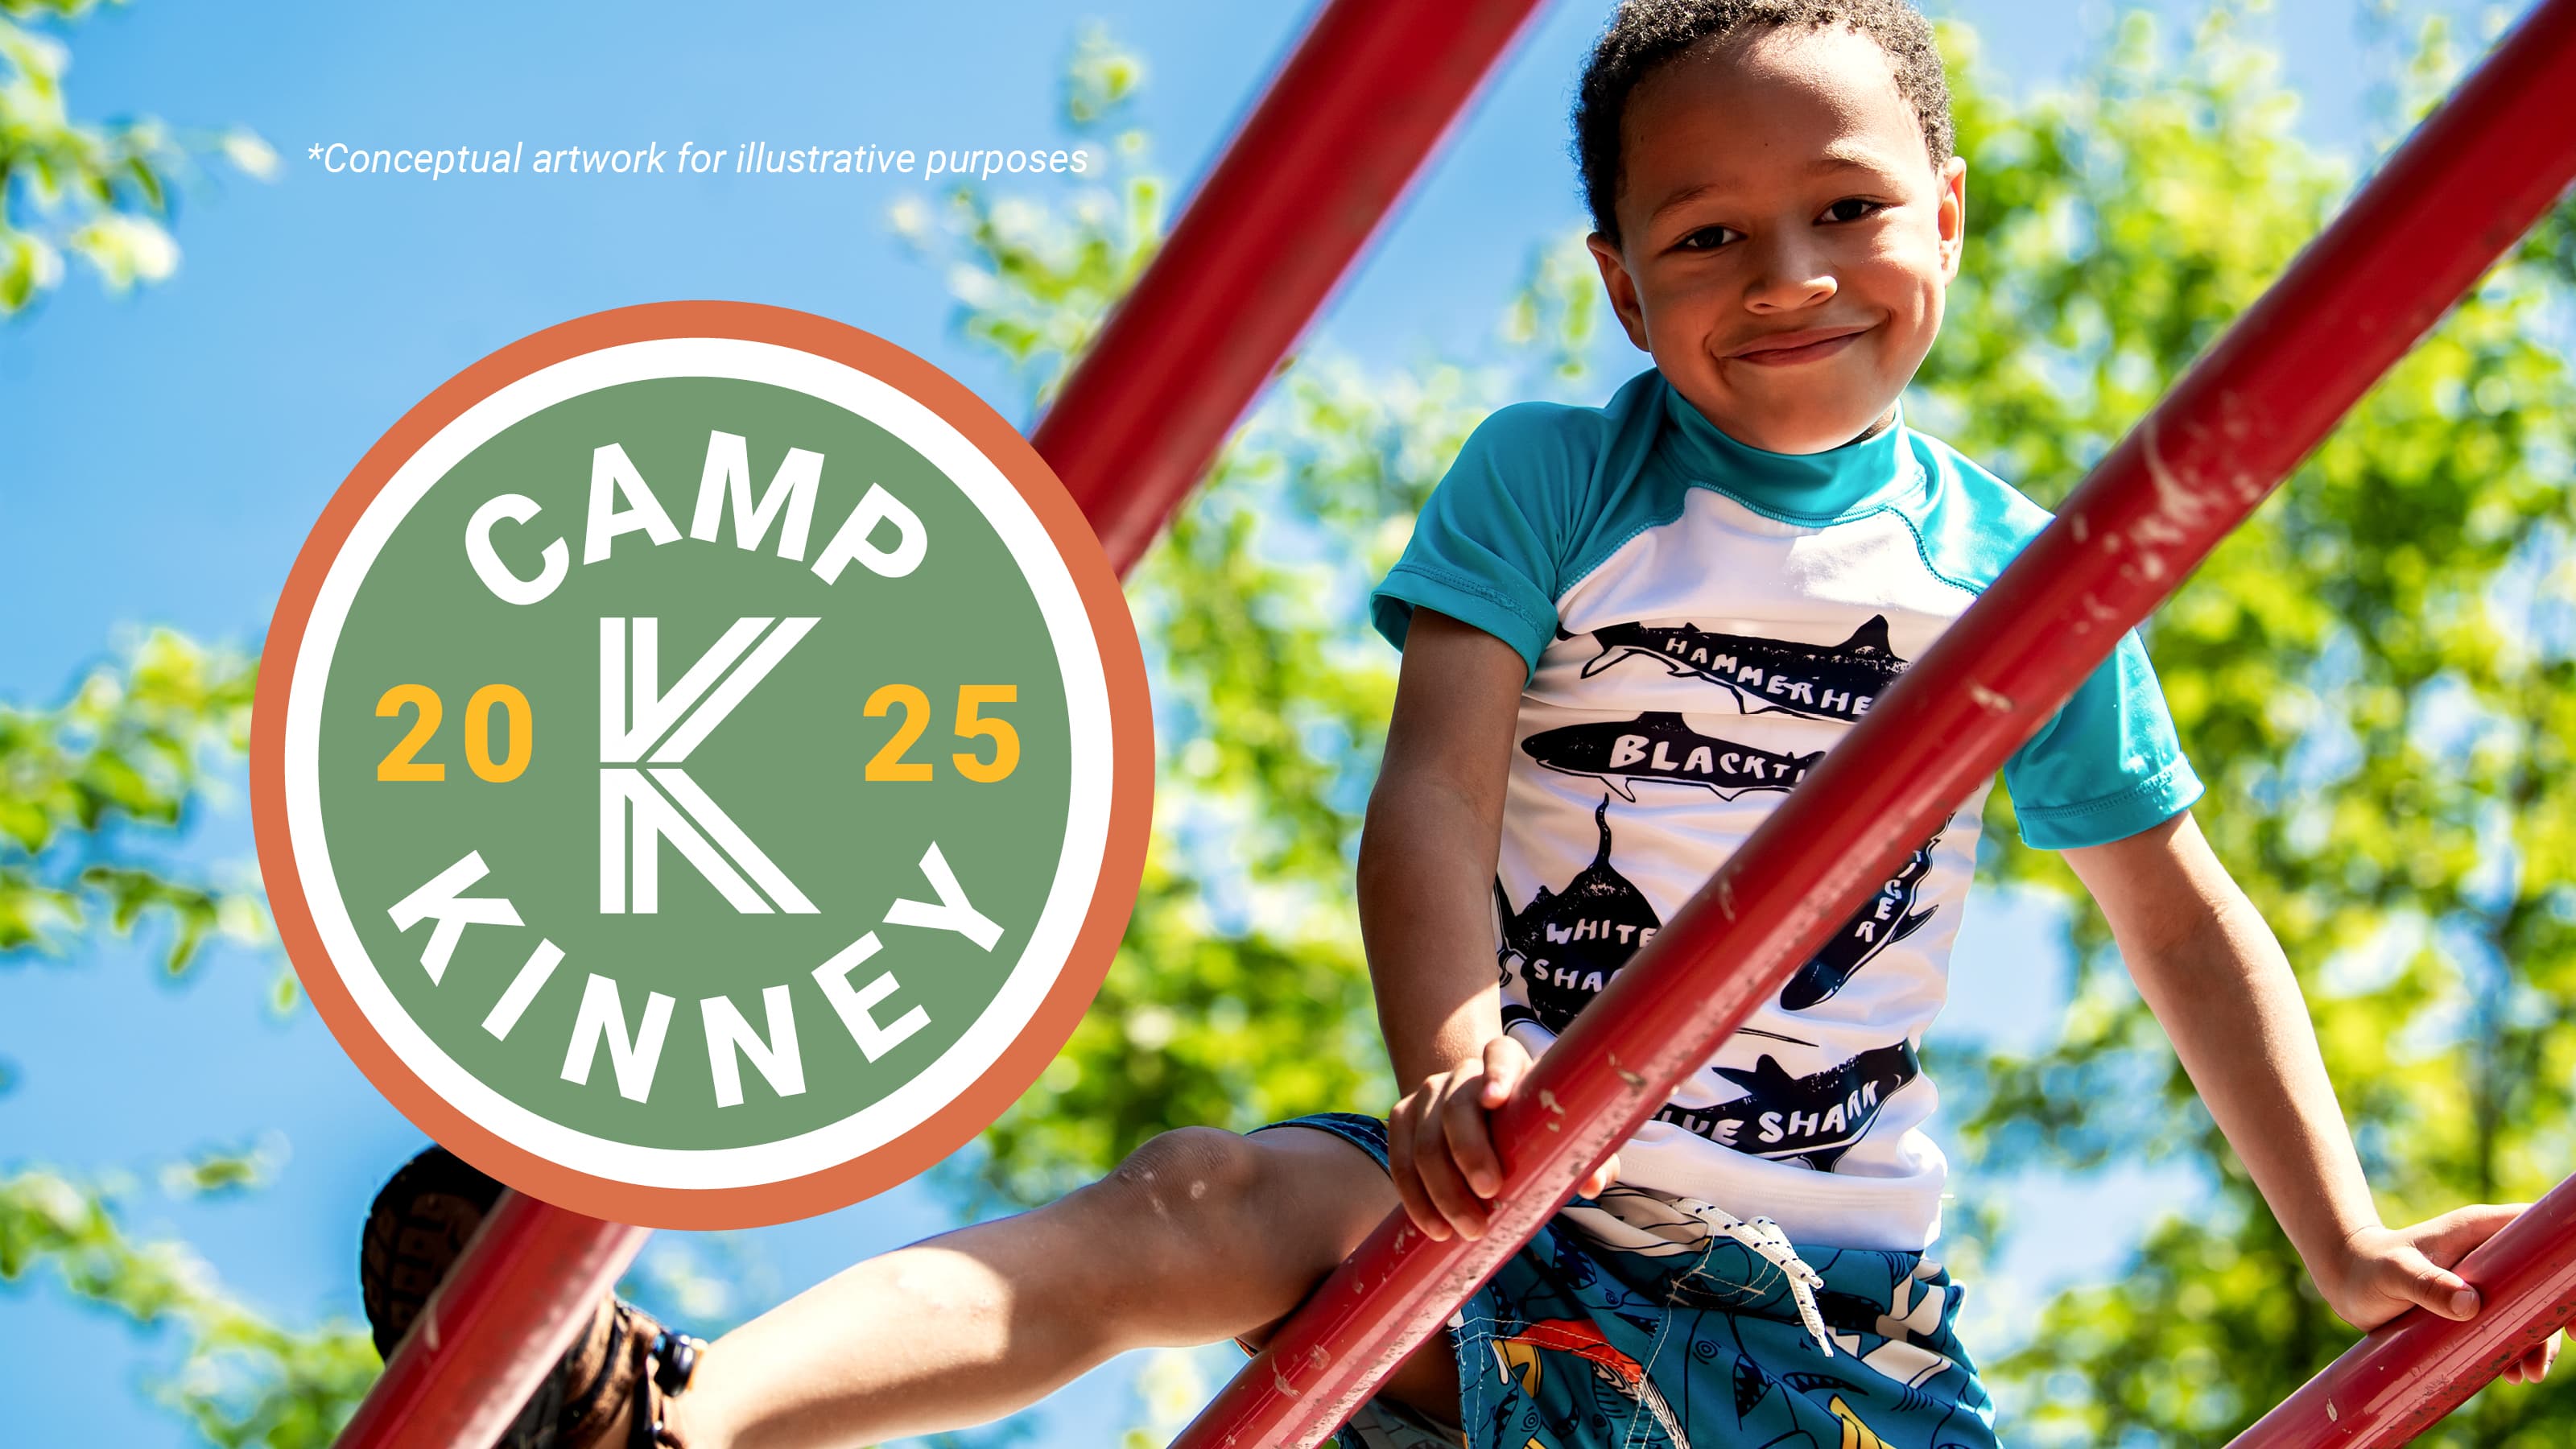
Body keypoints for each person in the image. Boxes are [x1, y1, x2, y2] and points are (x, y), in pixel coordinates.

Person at [360, 2, 2562, 1445]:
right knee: (1204, 1198)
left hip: (1820, 1312)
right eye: (1707, 234)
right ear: (1619, 279)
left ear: (1950, 224)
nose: (1786, 273)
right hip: (1515, 1172)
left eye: (1848, 212)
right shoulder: (1557, 479)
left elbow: (2182, 925)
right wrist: (1449, 1049)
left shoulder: (2037, 574)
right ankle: (678, 1417)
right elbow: (1431, 794)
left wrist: (2340, 1232)